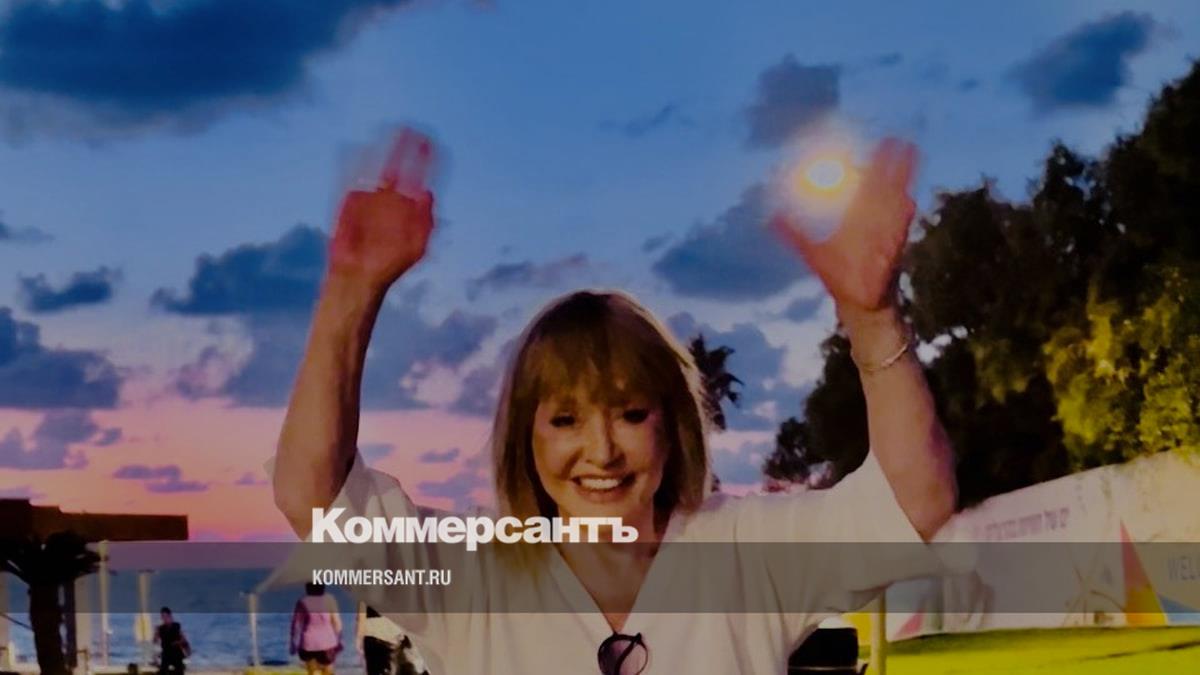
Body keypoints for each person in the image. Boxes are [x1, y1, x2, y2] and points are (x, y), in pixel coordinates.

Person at [273, 131, 957, 673]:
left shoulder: (745, 552)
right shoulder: (473, 572)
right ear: (526, 438)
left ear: (672, 425)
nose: (600, 451)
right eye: (565, 420)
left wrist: (872, 317)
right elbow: (313, 496)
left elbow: (913, 503)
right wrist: (351, 290)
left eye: (630, 414)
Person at [290, 582, 343, 675]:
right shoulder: (329, 599)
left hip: (308, 643)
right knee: (328, 671)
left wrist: (292, 643)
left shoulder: (302, 601)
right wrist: (339, 640)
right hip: (328, 643)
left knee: (312, 672)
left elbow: (296, 624)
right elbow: (337, 622)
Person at [153, 607, 189, 675]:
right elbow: (155, 641)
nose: (164, 618)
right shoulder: (161, 628)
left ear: (170, 616)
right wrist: (156, 632)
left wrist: (178, 642)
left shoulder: (177, 626)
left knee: (179, 670)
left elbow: (184, 640)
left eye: (165, 616)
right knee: (162, 671)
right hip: (166, 654)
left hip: (176, 653)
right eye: (162, 616)